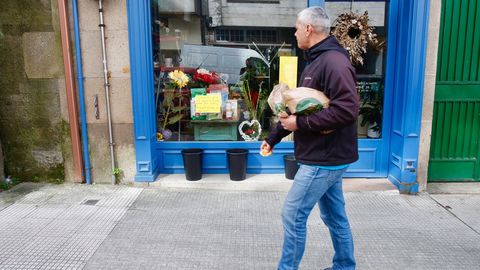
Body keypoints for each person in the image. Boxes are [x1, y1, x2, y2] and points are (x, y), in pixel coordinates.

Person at [260, 6, 358, 270]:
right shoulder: (316, 62)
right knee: (335, 217)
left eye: (296, 27)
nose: (294, 33)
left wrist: (300, 123)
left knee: (292, 215)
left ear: (308, 29)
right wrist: (274, 137)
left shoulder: (334, 63)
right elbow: (296, 108)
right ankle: (345, 267)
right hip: (326, 156)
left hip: (324, 159)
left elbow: (347, 110)